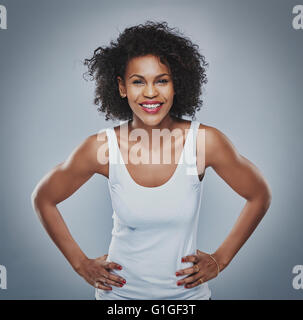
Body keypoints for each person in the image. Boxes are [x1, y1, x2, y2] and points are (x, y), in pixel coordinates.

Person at [31, 21, 272, 300]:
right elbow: (44, 198)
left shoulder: (204, 142)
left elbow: (259, 194)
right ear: (122, 87)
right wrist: (80, 264)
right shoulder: (103, 147)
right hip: (119, 299)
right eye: (137, 81)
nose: (150, 93)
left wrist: (221, 258)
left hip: (188, 300)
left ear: (176, 85)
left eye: (162, 80)